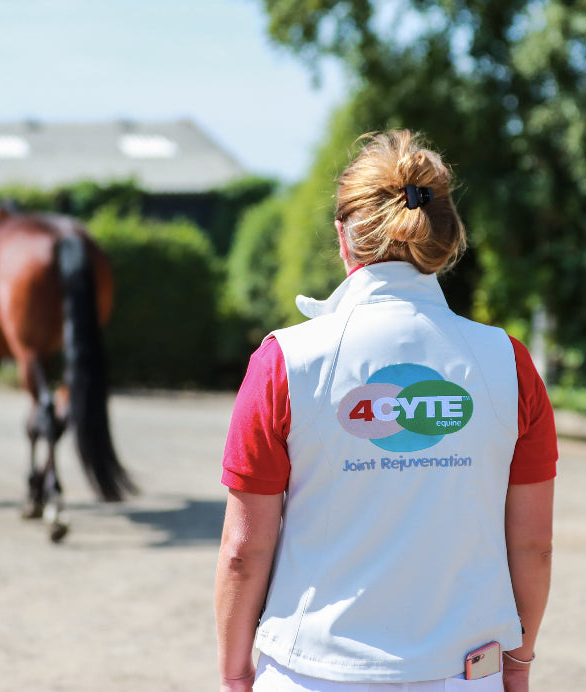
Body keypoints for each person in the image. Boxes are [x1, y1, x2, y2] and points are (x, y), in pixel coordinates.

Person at [215, 130, 556, 692]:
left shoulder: (285, 361)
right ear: (447, 237)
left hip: (312, 672)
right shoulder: (508, 362)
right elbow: (533, 546)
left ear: (344, 238)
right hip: (466, 671)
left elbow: (242, 552)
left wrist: (233, 674)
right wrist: (518, 664)